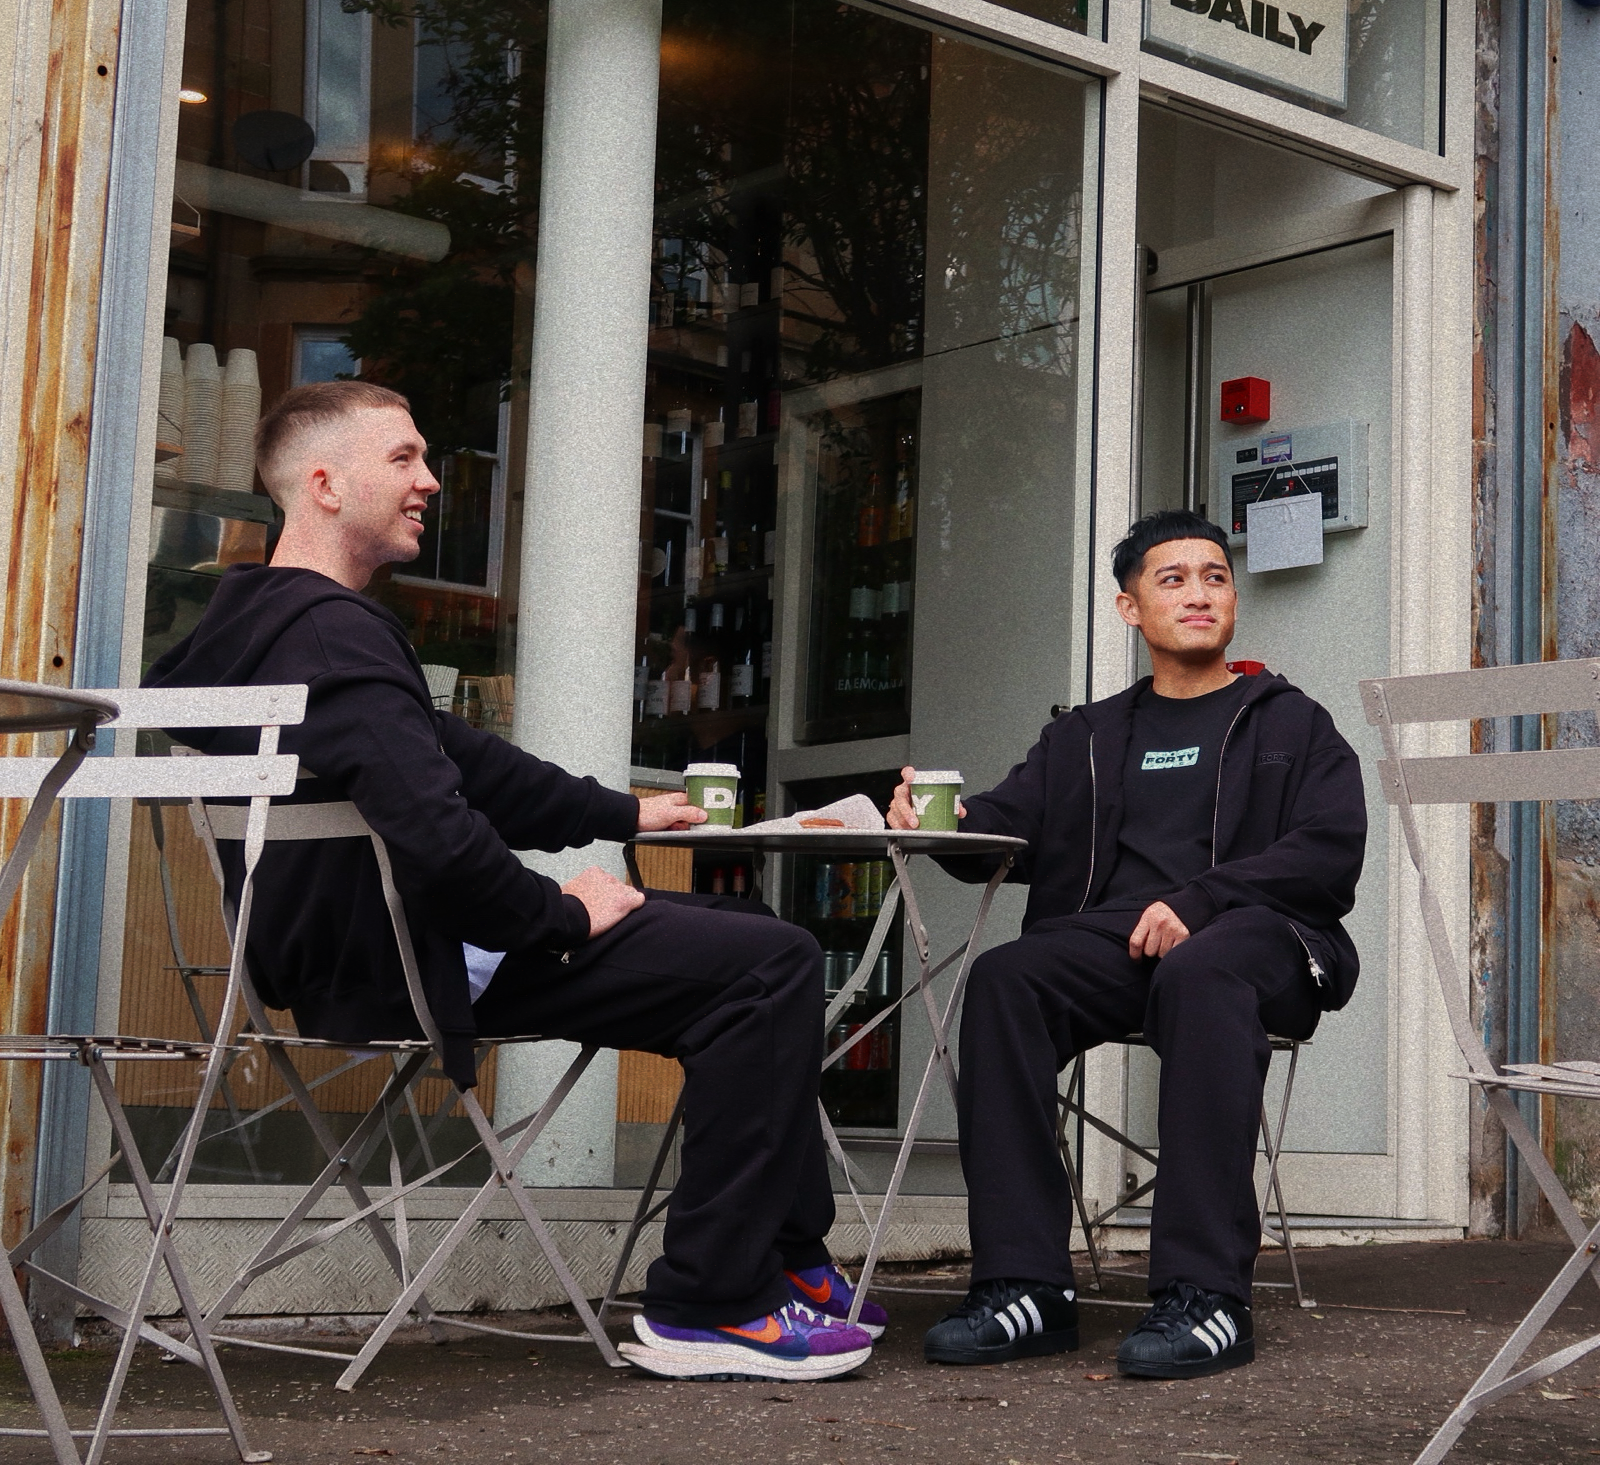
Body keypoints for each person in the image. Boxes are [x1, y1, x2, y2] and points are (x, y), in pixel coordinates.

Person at [144, 380, 886, 1382]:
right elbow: (443, 843)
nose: (430, 481)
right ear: (324, 484)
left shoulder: (262, 628)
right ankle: (715, 1301)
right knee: (773, 963)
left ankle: (786, 1259)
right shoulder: (334, 637)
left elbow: (468, 765)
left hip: (342, 956)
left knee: (746, 942)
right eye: (403, 458)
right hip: (408, 963)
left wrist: (621, 815)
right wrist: (562, 913)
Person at [889, 509, 1366, 1379]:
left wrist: (1200, 900)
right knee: (1006, 980)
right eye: (1172, 579)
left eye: (1215, 577)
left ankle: (1204, 1295)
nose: (1199, 594)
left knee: (1202, 969)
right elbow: (1005, 827)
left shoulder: (1291, 723)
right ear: (1130, 609)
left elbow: (1328, 854)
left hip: (1263, 937)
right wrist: (943, 821)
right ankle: (1026, 1285)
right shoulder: (1087, 736)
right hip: (1119, 944)